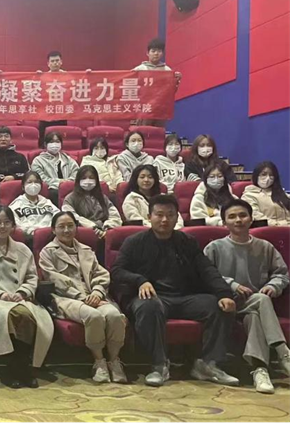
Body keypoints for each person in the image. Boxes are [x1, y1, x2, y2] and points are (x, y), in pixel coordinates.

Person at [110, 194, 238, 387]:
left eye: (170, 215)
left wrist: (224, 294)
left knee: (219, 306)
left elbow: (207, 269)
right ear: (149, 216)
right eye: (159, 214)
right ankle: (158, 365)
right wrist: (140, 281)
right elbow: (117, 271)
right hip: (151, 297)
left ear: (177, 217)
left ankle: (207, 364)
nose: (164, 219)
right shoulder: (134, 242)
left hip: (184, 297)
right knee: (148, 307)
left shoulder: (187, 241)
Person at [204, 200, 290, 394]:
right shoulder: (214, 247)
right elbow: (206, 276)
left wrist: (272, 286)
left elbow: (282, 274)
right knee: (261, 300)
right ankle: (283, 353)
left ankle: (259, 370)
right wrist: (232, 284)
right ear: (224, 222)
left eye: (243, 215)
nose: (238, 220)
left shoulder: (265, 247)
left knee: (255, 316)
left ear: (251, 219)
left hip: (256, 305)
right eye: (232, 216)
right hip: (226, 303)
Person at [0, 205, 54, 388]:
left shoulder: (23, 250)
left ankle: (18, 366)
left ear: (13, 226)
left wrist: (22, 292)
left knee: (29, 316)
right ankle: (17, 367)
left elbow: (32, 276)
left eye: (7, 222)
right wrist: (0, 293)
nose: (2, 226)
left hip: (21, 297)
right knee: (17, 315)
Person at [38, 212, 126, 383]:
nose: (66, 230)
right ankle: (99, 361)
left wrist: (97, 292)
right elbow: (54, 279)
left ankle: (114, 360)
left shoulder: (86, 250)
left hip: (93, 296)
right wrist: (80, 296)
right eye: (61, 226)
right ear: (53, 230)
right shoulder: (48, 252)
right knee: (93, 316)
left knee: (114, 315)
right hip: (66, 298)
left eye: (70, 226)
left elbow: (101, 274)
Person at [62, 166, 122, 239]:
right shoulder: (69, 198)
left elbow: (114, 214)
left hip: (105, 231)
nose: (88, 181)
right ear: (78, 180)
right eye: (84, 178)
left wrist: (108, 227)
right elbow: (71, 217)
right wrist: (93, 227)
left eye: (91, 178)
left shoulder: (102, 197)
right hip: (84, 233)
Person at [122, 164, 184, 228]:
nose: (146, 180)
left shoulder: (163, 197)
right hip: (144, 231)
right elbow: (137, 221)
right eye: (142, 177)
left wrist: (174, 229)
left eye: (150, 177)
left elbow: (177, 217)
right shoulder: (131, 199)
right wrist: (158, 228)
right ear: (136, 180)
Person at [31, 132, 79, 204]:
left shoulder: (67, 159)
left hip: (69, 187)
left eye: (57, 141)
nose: (54, 144)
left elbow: (77, 173)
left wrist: (67, 183)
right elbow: (40, 178)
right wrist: (59, 183)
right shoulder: (38, 160)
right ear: (45, 144)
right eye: (51, 142)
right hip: (52, 189)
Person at [9, 171, 60, 238]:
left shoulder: (47, 202)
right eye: (29, 182)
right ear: (23, 187)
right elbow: (15, 223)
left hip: (50, 235)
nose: (33, 185)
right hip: (28, 237)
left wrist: (47, 230)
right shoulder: (16, 204)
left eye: (36, 182)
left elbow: (58, 216)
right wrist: (33, 232)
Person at [241, 161, 290, 226]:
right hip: (269, 229)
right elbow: (257, 217)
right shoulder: (248, 196)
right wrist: (281, 225)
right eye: (264, 174)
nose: (268, 178)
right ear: (256, 176)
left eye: (271, 175)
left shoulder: (281, 193)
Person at [190, 160, 235, 226]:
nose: (216, 179)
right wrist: (219, 222)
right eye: (212, 177)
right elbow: (199, 220)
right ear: (206, 180)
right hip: (209, 230)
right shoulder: (198, 198)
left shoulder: (233, 198)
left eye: (220, 176)